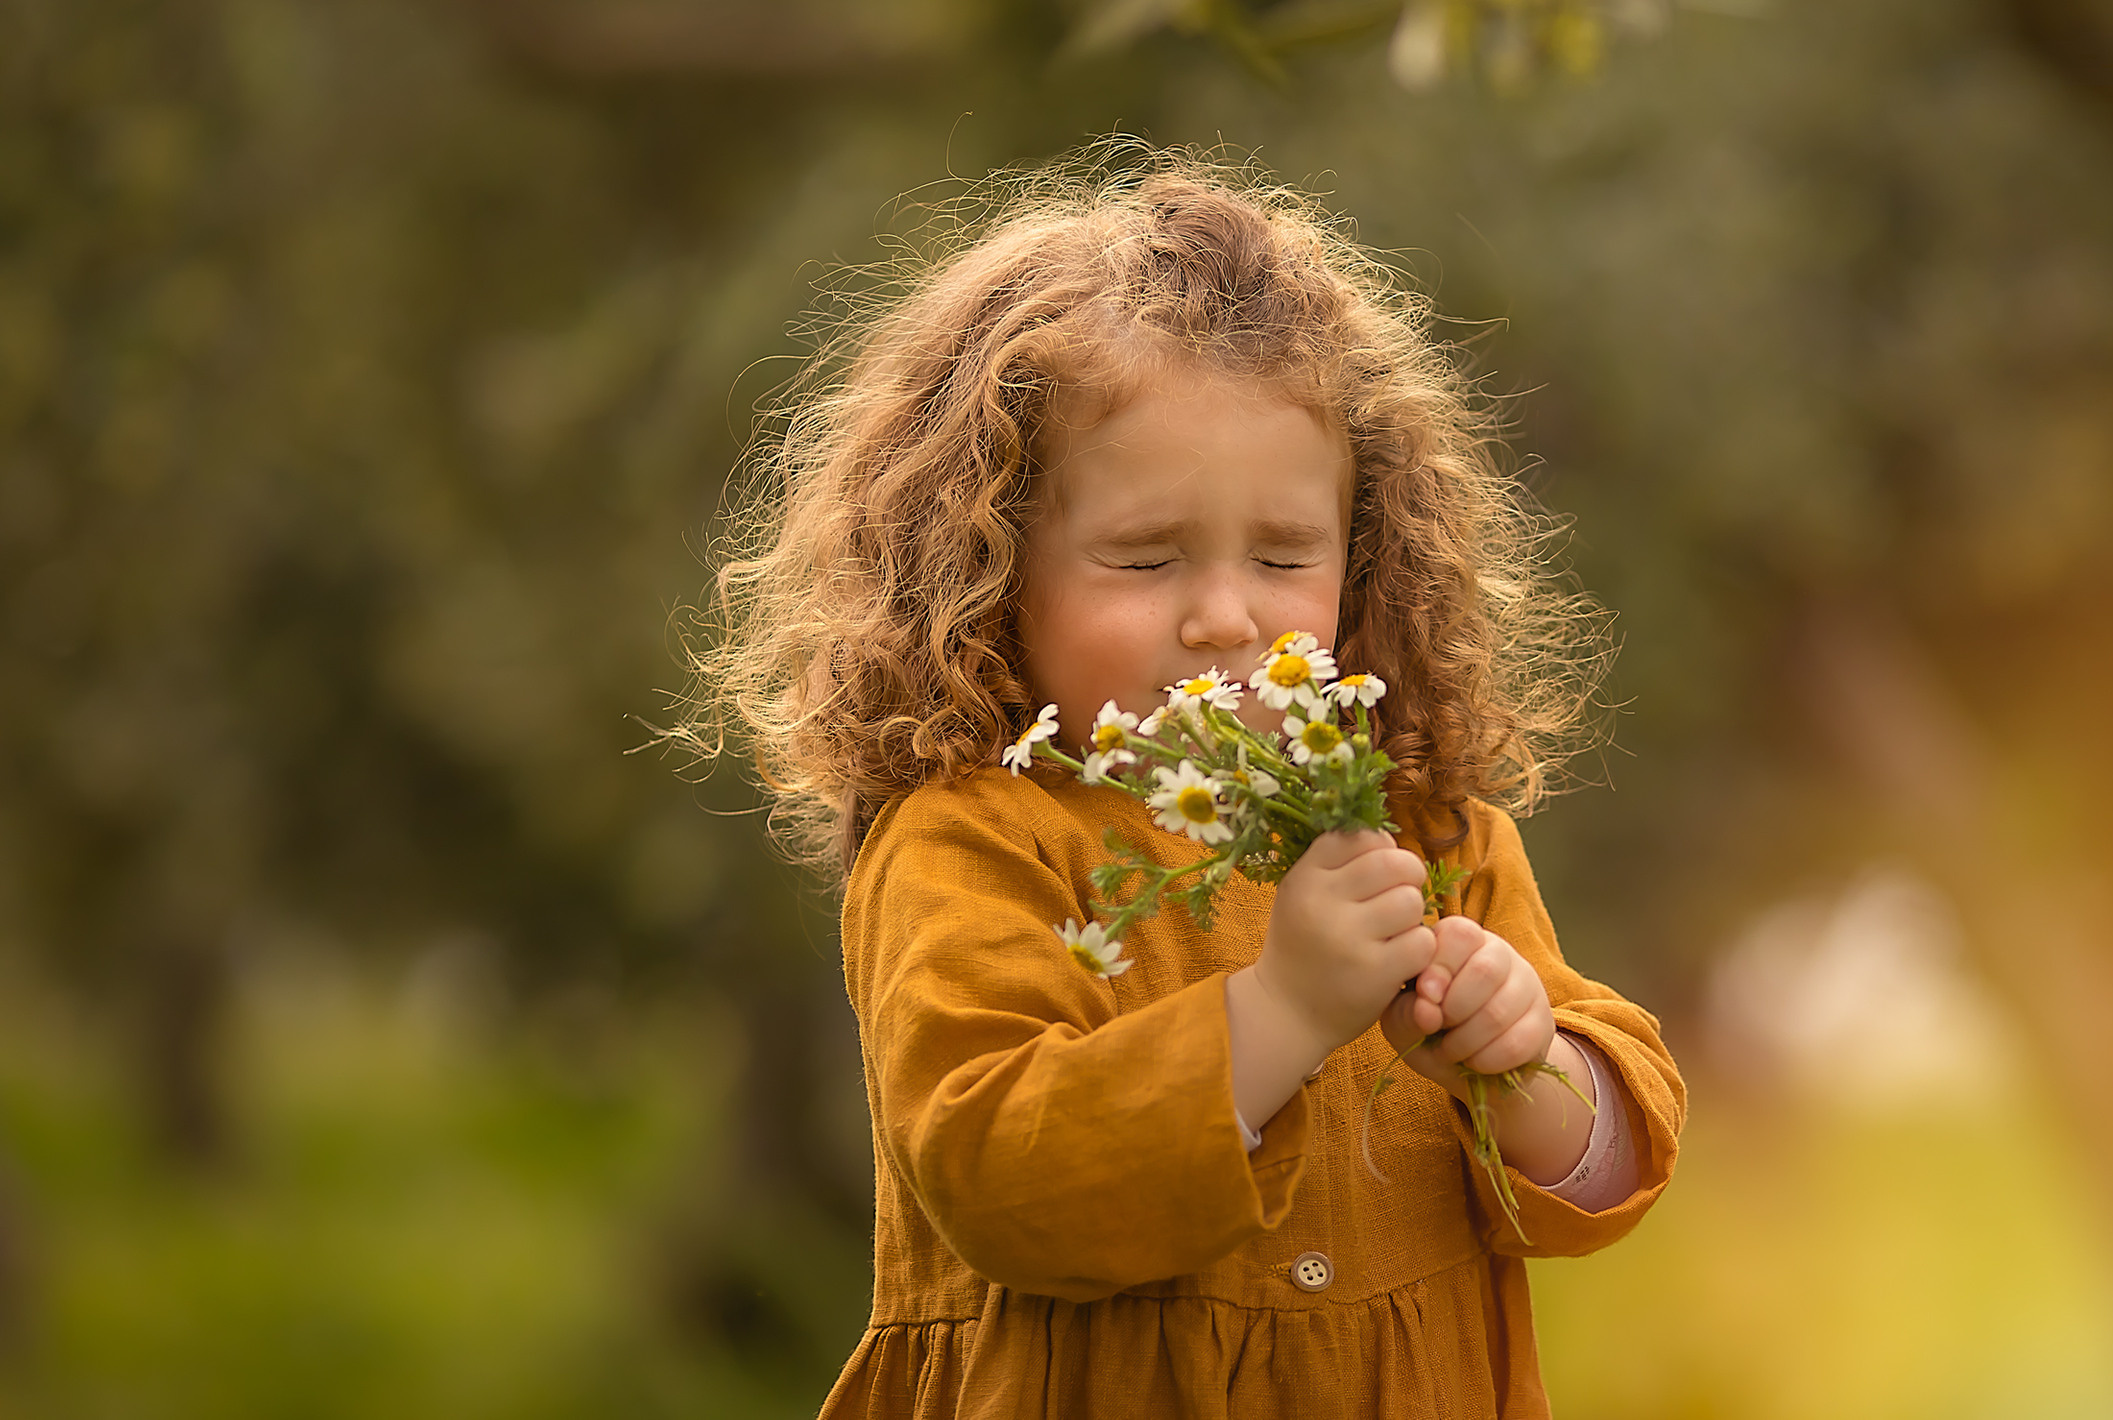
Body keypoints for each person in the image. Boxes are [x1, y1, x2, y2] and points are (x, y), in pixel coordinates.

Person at [695, 151, 1683, 1417]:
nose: (1225, 617)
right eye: (1145, 557)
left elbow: (1600, 1173)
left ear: (1362, 559)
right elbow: (998, 1174)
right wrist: (1280, 1007)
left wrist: (1526, 1061)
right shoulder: (973, 843)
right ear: (990, 568)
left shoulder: (1427, 829)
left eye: (1283, 554)